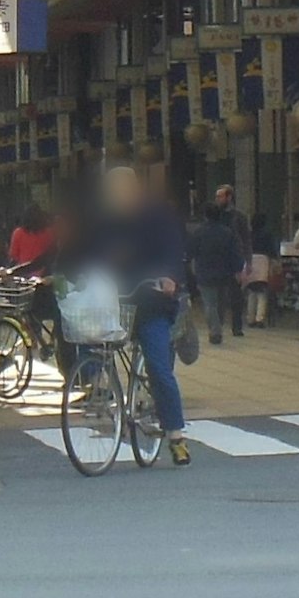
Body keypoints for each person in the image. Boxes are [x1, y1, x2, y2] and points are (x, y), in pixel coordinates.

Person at [94, 165, 199, 464]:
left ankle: (176, 434)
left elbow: (172, 250)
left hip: (152, 300)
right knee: (92, 343)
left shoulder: (157, 215)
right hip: (116, 301)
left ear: (134, 187)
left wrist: (168, 277)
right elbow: (90, 250)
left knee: (158, 367)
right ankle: (105, 393)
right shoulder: (106, 219)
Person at [190, 189, 248, 341]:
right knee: (221, 303)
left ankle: (215, 331)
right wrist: (238, 269)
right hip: (224, 273)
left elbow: (191, 251)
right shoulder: (227, 232)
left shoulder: (198, 232)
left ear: (205, 215)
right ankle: (218, 325)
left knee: (210, 304)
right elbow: (235, 252)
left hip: (204, 272)